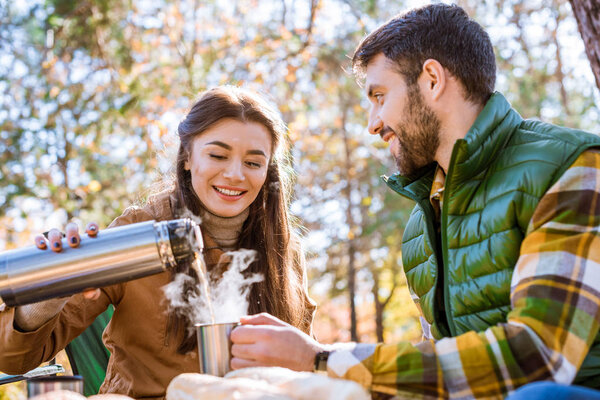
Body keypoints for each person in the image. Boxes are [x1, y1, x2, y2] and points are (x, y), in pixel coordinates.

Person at [229, 4, 600, 399]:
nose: (372, 123)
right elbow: (437, 370)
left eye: (379, 95)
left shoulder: (572, 168)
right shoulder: (419, 228)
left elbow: (538, 358)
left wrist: (321, 359)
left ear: (432, 80)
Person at [0, 86, 316, 399]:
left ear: (267, 170)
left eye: (253, 163)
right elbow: (17, 359)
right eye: (217, 155)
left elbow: (304, 369)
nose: (235, 174)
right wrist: (46, 296)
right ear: (188, 157)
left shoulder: (283, 252)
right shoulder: (138, 233)